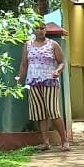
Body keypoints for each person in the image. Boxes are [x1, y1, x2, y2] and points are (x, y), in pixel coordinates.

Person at [16, 21, 70, 151]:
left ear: (46, 30)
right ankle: (45, 142)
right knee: (39, 113)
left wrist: (57, 71)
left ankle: (64, 140)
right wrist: (19, 79)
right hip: (32, 82)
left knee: (53, 111)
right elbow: (24, 64)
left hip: (49, 81)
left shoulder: (53, 44)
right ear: (33, 31)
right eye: (37, 28)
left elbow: (62, 62)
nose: (40, 30)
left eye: (42, 28)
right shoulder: (27, 45)